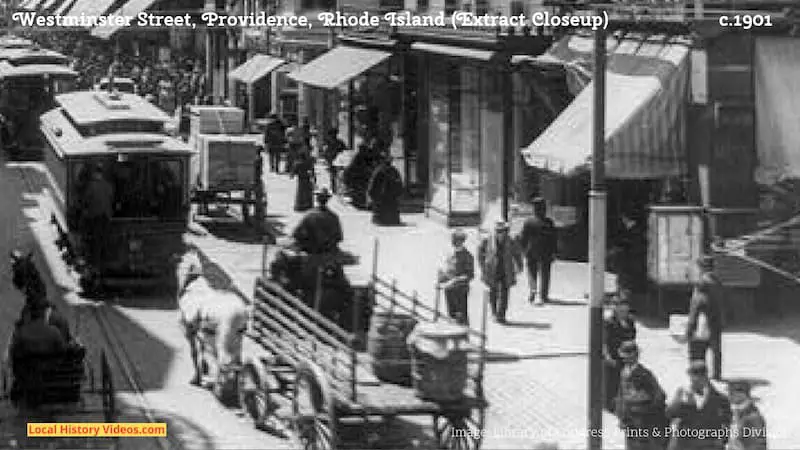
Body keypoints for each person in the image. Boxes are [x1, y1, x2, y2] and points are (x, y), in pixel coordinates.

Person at [666, 361, 731, 450]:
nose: (695, 382)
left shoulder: (720, 398)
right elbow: (669, 414)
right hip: (685, 444)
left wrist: (722, 439)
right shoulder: (682, 393)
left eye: (699, 378)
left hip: (710, 445)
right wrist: (682, 404)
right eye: (692, 378)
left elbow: (726, 421)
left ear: (706, 377)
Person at [615, 341, 668, 450]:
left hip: (644, 420)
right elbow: (621, 395)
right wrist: (621, 415)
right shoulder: (624, 372)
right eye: (624, 357)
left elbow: (659, 395)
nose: (625, 360)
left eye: (628, 357)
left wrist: (647, 407)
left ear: (635, 356)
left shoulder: (645, 374)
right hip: (630, 419)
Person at [477, 221, 523, 324]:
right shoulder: (487, 240)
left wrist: (519, 265)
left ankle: (501, 315)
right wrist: (483, 266)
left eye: (502, 231)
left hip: (505, 269)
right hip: (492, 269)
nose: (500, 233)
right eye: (498, 231)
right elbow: (480, 252)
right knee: (493, 292)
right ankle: (494, 313)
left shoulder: (510, 240)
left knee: (505, 292)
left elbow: (517, 253)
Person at [686, 255, 724, 381]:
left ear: (702, 267)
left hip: (703, 324)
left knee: (697, 351)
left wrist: (690, 328)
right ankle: (717, 375)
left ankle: (699, 376)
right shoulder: (718, 282)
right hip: (716, 321)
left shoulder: (702, 284)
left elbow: (696, 307)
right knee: (716, 350)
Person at [518, 197, 557, 305]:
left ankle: (533, 292)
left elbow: (523, 238)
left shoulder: (529, 222)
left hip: (531, 252)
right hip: (546, 253)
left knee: (532, 273)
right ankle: (543, 295)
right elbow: (554, 239)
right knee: (545, 274)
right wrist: (554, 252)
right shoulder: (549, 222)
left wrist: (523, 250)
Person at [603, 292, 637, 412]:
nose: (623, 309)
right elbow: (605, 342)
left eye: (625, 305)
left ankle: (623, 403)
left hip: (627, 356)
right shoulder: (609, 322)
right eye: (619, 306)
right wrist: (608, 357)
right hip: (613, 357)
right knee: (612, 382)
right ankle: (609, 405)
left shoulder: (630, 321)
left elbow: (633, 338)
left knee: (626, 381)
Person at [437, 229, 475, 326]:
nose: (453, 242)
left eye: (456, 240)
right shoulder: (450, 254)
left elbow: (469, 275)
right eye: (453, 240)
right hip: (449, 289)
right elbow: (448, 271)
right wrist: (441, 278)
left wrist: (455, 280)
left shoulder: (468, 256)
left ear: (461, 241)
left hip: (461, 290)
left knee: (461, 315)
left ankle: (464, 334)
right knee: (451, 314)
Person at [292, 188, 343, 255]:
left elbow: (296, 234)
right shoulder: (334, 217)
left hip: (311, 250)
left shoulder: (309, 215)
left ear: (317, 199)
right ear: (327, 200)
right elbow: (339, 237)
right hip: (329, 250)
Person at [80, 163, 114, 264]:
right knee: (104, 237)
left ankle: (94, 258)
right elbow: (111, 197)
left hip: (95, 215)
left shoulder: (92, 185)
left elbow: (86, 199)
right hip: (106, 215)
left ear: (95, 174)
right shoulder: (108, 185)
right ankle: (105, 255)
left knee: (94, 237)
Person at [727, 381, 767, 450]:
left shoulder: (753, 417)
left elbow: (757, 445)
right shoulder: (738, 412)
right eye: (730, 392)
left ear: (742, 395)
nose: (729, 396)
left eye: (732, 393)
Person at [366, 152, 404, 226]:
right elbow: (400, 187)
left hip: (381, 203)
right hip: (392, 204)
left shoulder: (379, 171)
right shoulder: (394, 171)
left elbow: (372, 186)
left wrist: (372, 196)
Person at [323, 128, 347, 193]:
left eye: (332, 134)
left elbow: (344, 152)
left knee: (338, 178)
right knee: (334, 177)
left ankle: (337, 191)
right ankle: (335, 190)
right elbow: (326, 154)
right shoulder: (329, 143)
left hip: (339, 163)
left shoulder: (339, 143)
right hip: (333, 163)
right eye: (330, 135)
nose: (331, 136)